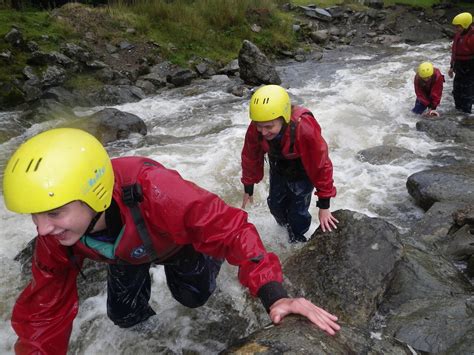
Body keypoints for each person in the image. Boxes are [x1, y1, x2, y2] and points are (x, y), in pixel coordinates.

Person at [2, 128, 340, 354]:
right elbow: (44, 311)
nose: (42, 230)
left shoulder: (157, 190)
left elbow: (234, 230)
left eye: (54, 213)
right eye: (35, 215)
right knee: (125, 317)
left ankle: (206, 262)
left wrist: (275, 296)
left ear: (94, 192)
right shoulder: (56, 235)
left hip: (177, 245)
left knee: (193, 298)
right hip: (126, 253)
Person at [240, 85, 338, 244]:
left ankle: (298, 240)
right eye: (259, 126)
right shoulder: (257, 128)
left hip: (302, 168)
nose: (263, 132)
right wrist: (248, 186)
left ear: (284, 117)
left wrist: (324, 206)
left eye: (269, 127)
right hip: (278, 163)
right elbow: (250, 155)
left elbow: (321, 165)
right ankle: (285, 231)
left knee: (297, 213)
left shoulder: (304, 128)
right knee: (275, 205)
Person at [448, 12, 474, 114]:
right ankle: (458, 114)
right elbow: (454, 52)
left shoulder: (472, 38)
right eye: (456, 26)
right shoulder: (458, 35)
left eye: (458, 26)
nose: (456, 28)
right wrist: (451, 67)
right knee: (456, 92)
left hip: (470, 69)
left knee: (467, 94)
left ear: (466, 25)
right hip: (459, 68)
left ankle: (466, 117)